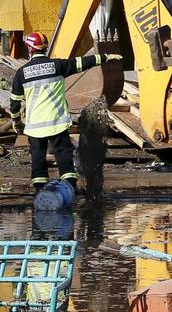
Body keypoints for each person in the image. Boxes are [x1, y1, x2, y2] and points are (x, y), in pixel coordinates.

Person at [8, 32, 116, 197]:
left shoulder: (22, 73)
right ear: (45, 48)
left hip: (35, 126)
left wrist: (16, 122)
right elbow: (81, 63)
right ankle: (70, 187)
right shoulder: (56, 66)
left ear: (29, 49)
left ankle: (39, 191)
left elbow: (14, 103)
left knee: (38, 157)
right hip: (57, 122)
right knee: (63, 154)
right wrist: (105, 57)